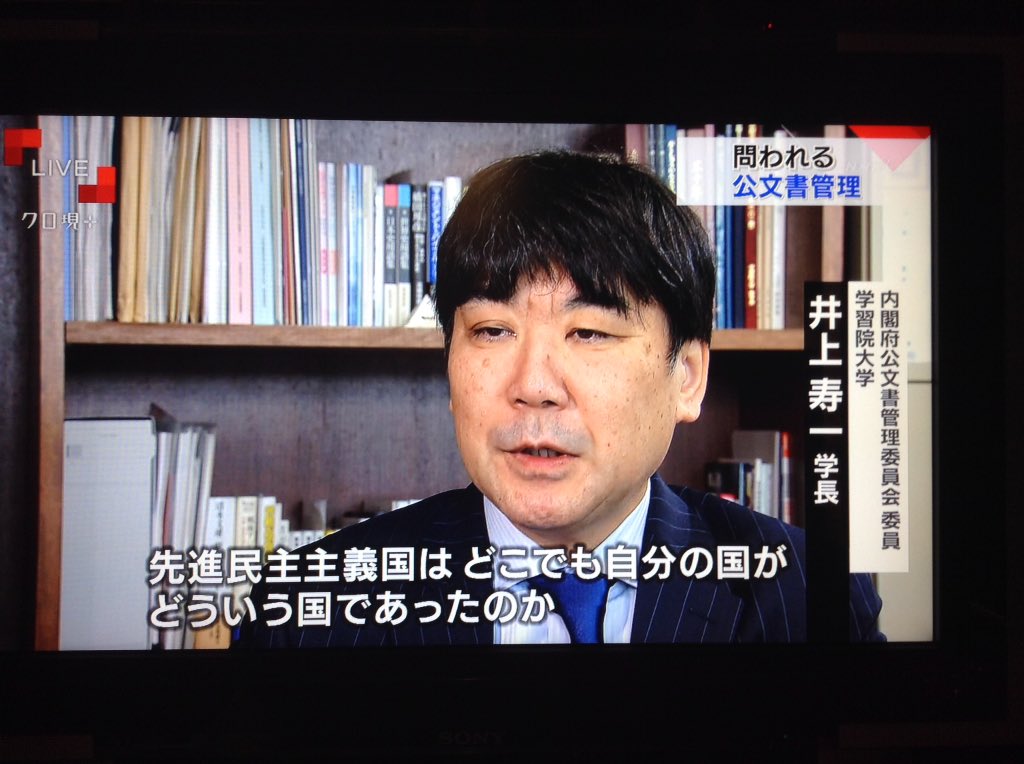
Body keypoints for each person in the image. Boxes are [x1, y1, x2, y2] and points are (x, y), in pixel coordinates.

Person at [234, 150, 883, 647]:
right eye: (492, 331)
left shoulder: (807, 596)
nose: (534, 387)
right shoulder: (310, 608)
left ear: (686, 376)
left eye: (589, 333)